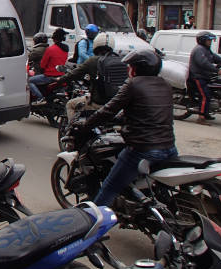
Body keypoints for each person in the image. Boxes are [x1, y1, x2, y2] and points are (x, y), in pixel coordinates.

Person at [73, 49, 178, 207]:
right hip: (169, 148)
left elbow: (108, 110)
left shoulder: (133, 84)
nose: (128, 70)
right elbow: (147, 111)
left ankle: (95, 226)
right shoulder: (165, 85)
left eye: (130, 66)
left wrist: (86, 125)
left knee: (109, 188)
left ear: (136, 68)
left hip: (143, 149)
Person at [54, 32, 129, 122]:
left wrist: (59, 80)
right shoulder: (121, 61)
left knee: (70, 104)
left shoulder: (93, 60)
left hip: (97, 104)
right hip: (116, 105)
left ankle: (73, 131)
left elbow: (74, 74)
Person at [188, 31, 221, 125]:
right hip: (198, 76)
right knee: (205, 95)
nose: (210, 42)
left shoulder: (206, 49)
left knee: (210, 94)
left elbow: (216, 58)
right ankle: (201, 117)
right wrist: (217, 71)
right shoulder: (199, 50)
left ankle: (206, 112)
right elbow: (204, 63)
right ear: (202, 40)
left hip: (205, 76)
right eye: (208, 40)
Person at [28, 28, 69, 104]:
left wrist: (44, 70)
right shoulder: (65, 50)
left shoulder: (50, 49)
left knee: (29, 81)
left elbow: (42, 65)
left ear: (54, 39)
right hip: (61, 75)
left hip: (50, 76)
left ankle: (40, 98)